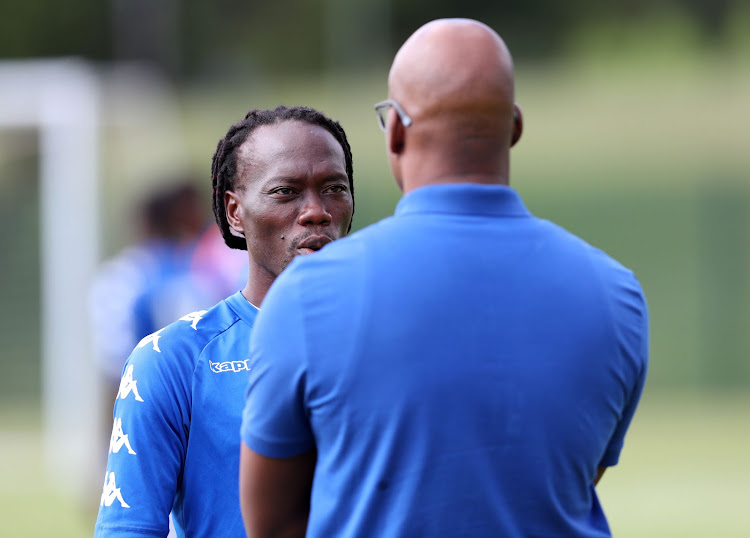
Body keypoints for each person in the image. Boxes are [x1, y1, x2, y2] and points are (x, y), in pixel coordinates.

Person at [239, 19, 649, 538]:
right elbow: (567, 477)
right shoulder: (616, 295)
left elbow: (270, 524)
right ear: (515, 128)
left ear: (397, 131)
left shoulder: (307, 295)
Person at [94, 105, 355, 537]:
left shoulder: (397, 345)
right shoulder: (172, 360)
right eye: (286, 192)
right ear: (234, 213)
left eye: (333, 188)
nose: (316, 211)